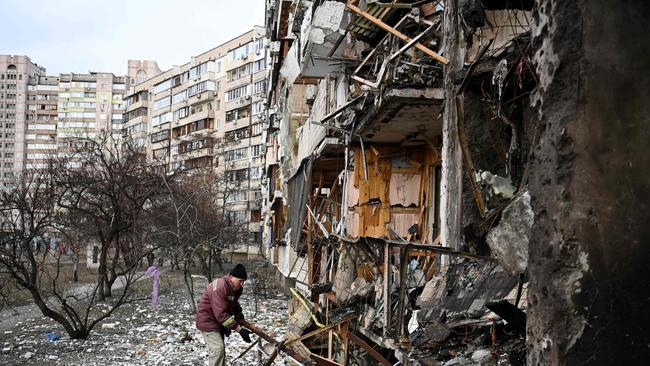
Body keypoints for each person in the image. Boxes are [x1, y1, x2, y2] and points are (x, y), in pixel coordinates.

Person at [195, 263, 252, 366]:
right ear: (231, 277)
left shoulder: (233, 287)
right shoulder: (220, 287)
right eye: (240, 281)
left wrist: (238, 313)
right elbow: (221, 315)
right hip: (208, 321)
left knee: (220, 352)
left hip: (217, 322)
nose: (242, 284)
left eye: (244, 281)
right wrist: (239, 330)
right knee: (218, 350)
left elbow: (232, 302)